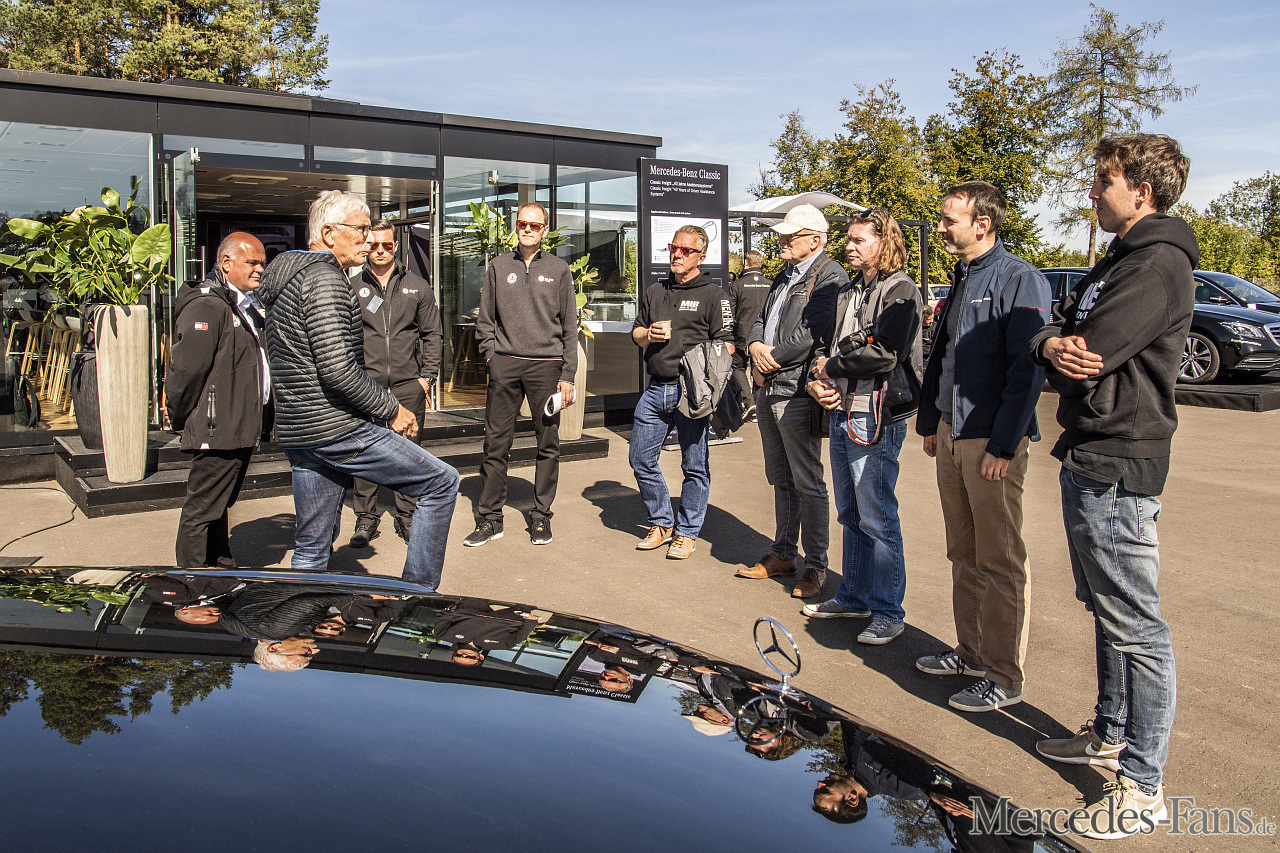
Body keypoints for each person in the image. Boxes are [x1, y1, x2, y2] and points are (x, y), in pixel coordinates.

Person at [1028, 134, 1195, 840]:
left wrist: (1059, 350)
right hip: (1092, 455)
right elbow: (1060, 331)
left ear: (1142, 191)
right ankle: (1110, 731)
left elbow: (1088, 354)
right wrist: (1047, 343)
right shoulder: (1119, 257)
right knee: (1106, 608)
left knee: (1137, 626)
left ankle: (1143, 787)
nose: (1092, 191)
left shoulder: (1156, 264)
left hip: (1121, 463)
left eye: (1104, 180)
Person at [257, 190, 459, 590]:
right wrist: (392, 409)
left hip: (301, 429)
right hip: (333, 427)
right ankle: (415, 597)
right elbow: (338, 370)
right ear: (329, 233)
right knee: (441, 482)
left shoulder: (291, 277)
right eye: (362, 229)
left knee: (312, 546)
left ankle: (298, 617)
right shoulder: (325, 279)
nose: (368, 239)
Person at [913, 182, 1052, 713]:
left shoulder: (1019, 278)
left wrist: (1004, 444)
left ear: (983, 224)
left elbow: (1027, 372)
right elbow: (943, 356)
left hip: (991, 443)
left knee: (999, 558)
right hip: (952, 433)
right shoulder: (963, 276)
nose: (942, 228)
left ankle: (1003, 676)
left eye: (950, 220)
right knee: (963, 552)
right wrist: (932, 421)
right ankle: (971, 654)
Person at [801, 208, 922, 646]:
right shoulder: (853, 290)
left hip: (875, 417)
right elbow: (828, 348)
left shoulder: (901, 289)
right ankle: (854, 596)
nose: (849, 247)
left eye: (858, 240)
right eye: (848, 239)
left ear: (883, 242)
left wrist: (830, 367)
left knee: (877, 516)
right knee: (851, 513)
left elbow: (886, 353)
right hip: (843, 412)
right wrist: (820, 380)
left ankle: (888, 611)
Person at [737, 205, 847, 598]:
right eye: (782, 235)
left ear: (815, 240)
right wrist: (755, 348)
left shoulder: (830, 274)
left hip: (797, 391)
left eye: (790, 236)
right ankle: (783, 554)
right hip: (769, 387)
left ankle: (816, 565)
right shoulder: (785, 274)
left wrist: (770, 360)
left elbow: (812, 332)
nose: (782, 241)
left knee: (807, 482)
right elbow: (760, 319)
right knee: (780, 478)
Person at [463, 202, 578, 548]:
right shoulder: (499, 266)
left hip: (547, 368)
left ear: (545, 230)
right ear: (516, 226)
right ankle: (490, 519)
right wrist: (491, 357)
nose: (527, 229)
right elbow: (486, 319)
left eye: (534, 225)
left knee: (548, 443)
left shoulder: (559, 270)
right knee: (495, 443)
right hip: (506, 365)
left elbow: (569, 327)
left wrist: (568, 374)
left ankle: (541, 515)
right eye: (522, 224)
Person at [165, 232, 273, 570]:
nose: (259, 270)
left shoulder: (240, 305)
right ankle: (192, 579)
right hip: (218, 427)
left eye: (262, 263)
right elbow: (186, 370)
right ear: (226, 263)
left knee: (217, 504)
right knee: (202, 509)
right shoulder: (207, 306)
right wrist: (182, 417)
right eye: (252, 262)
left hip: (237, 426)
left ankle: (220, 566)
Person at [628, 224, 733, 560]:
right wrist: (648, 334)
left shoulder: (714, 295)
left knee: (694, 465)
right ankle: (662, 522)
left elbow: (728, 345)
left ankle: (687, 532)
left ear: (701, 256)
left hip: (691, 392)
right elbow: (636, 333)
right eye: (673, 248)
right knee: (640, 459)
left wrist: (701, 365)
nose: (676, 254)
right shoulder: (655, 290)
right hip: (656, 389)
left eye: (685, 250)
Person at [348, 220, 443, 548]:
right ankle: (366, 517)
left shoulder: (417, 286)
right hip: (366, 385)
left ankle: (407, 515)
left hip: (407, 385)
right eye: (374, 245)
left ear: (396, 246)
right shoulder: (352, 286)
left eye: (386, 245)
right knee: (364, 451)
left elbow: (433, 334)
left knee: (409, 452)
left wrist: (426, 378)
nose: (380, 251)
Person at [726, 249, 772, 418]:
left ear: (746, 264)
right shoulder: (771, 284)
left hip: (742, 333)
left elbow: (730, 312)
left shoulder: (737, 285)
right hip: (763, 334)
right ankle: (759, 405)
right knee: (759, 366)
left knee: (737, 365)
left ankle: (749, 401)